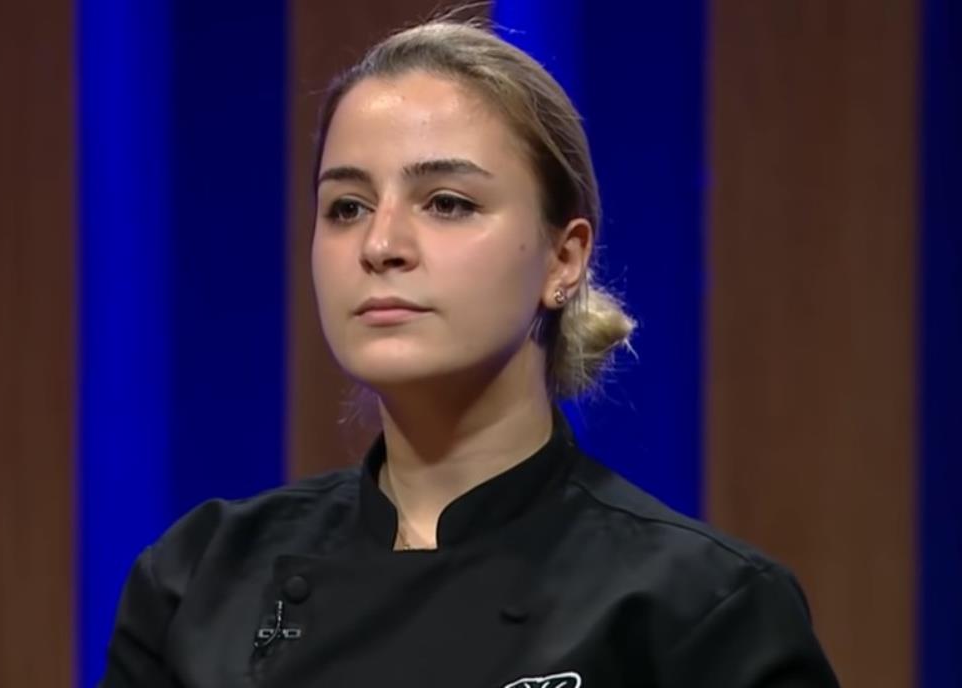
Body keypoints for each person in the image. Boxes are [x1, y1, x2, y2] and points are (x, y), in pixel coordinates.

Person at [100, 18, 839, 688]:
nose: (381, 245)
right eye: (347, 207)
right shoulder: (198, 582)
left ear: (564, 258)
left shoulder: (701, 612)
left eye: (447, 203)